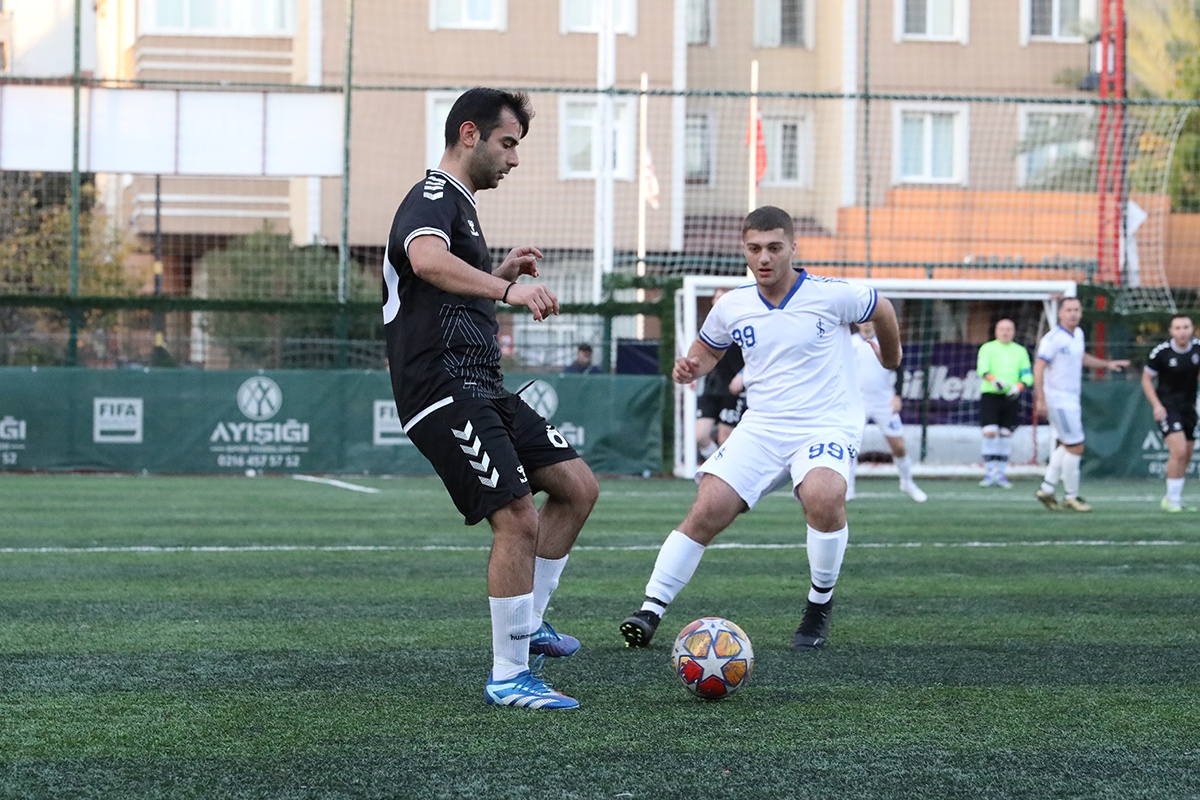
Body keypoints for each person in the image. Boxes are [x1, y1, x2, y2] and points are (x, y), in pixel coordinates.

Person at [382, 87, 599, 710]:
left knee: (577, 487)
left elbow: (443, 291)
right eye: (508, 143)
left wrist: (498, 274)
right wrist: (508, 293)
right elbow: (426, 261)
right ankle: (509, 675)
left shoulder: (462, 206)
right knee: (517, 518)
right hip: (442, 389)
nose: (515, 158)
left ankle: (530, 622)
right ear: (469, 134)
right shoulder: (432, 196)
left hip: (482, 384)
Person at [618, 205, 901, 652]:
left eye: (774, 247)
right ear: (744, 250)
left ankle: (818, 606)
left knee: (824, 496)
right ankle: (650, 610)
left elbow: (882, 307)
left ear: (793, 247)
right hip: (763, 426)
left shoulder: (831, 294)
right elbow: (707, 350)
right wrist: (691, 367)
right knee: (708, 506)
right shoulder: (733, 304)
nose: (764, 258)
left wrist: (890, 358)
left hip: (825, 423)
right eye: (754, 249)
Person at [1032, 297, 1129, 513]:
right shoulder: (1053, 338)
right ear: (1060, 313)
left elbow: (1080, 357)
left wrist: (1107, 364)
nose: (1073, 314)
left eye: (1076, 309)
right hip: (1059, 399)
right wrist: (1041, 399)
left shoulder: (1078, 334)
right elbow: (1039, 366)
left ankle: (1047, 489)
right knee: (1076, 446)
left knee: (1067, 444)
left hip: (1071, 399)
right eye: (1068, 310)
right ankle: (1071, 496)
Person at [847, 320, 926, 503]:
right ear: (857, 323)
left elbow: (899, 369)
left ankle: (907, 482)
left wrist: (897, 395)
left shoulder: (885, 341)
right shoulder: (850, 342)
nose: (867, 324)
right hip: (858, 401)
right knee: (850, 445)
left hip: (884, 401)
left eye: (870, 321)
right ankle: (848, 488)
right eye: (863, 321)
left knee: (898, 445)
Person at [1140, 314, 1200, 512]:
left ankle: (1174, 497)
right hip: (1168, 407)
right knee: (1179, 451)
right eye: (1178, 328)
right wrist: (1157, 405)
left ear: (1192, 329)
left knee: (1187, 454)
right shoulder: (1162, 353)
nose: (1182, 332)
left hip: (1189, 408)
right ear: (1171, 331)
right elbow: (1146, 379)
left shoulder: (1197, 348)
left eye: (1186, 327)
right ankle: (1172, 500)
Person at [976, 319, 1034, 488]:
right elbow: (982, 369)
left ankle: (1000, 473)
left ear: (1014, 332)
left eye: (1009, 329)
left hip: (1011, 396)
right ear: (996, 331)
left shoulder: (1020, 351)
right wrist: (993, 380)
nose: (1005, 332)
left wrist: (1019, 386)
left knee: (1005, 434)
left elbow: (1027, 374)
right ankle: (989, 472)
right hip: (991, 395)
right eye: (1002, 329)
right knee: (989, 432)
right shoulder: (987, 348)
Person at [695, 287, 745, 458]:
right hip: (711, 387)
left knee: (725, 438)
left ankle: (727, 469)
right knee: (700, 436)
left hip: (732, 389)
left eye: (723, 298)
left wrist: (742, 375)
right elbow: (702, 353)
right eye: (717, 297)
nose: (719, 301)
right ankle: (718, 465)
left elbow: (758, 357)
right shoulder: (708, 327)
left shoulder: (742, 325)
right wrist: (693, 373)